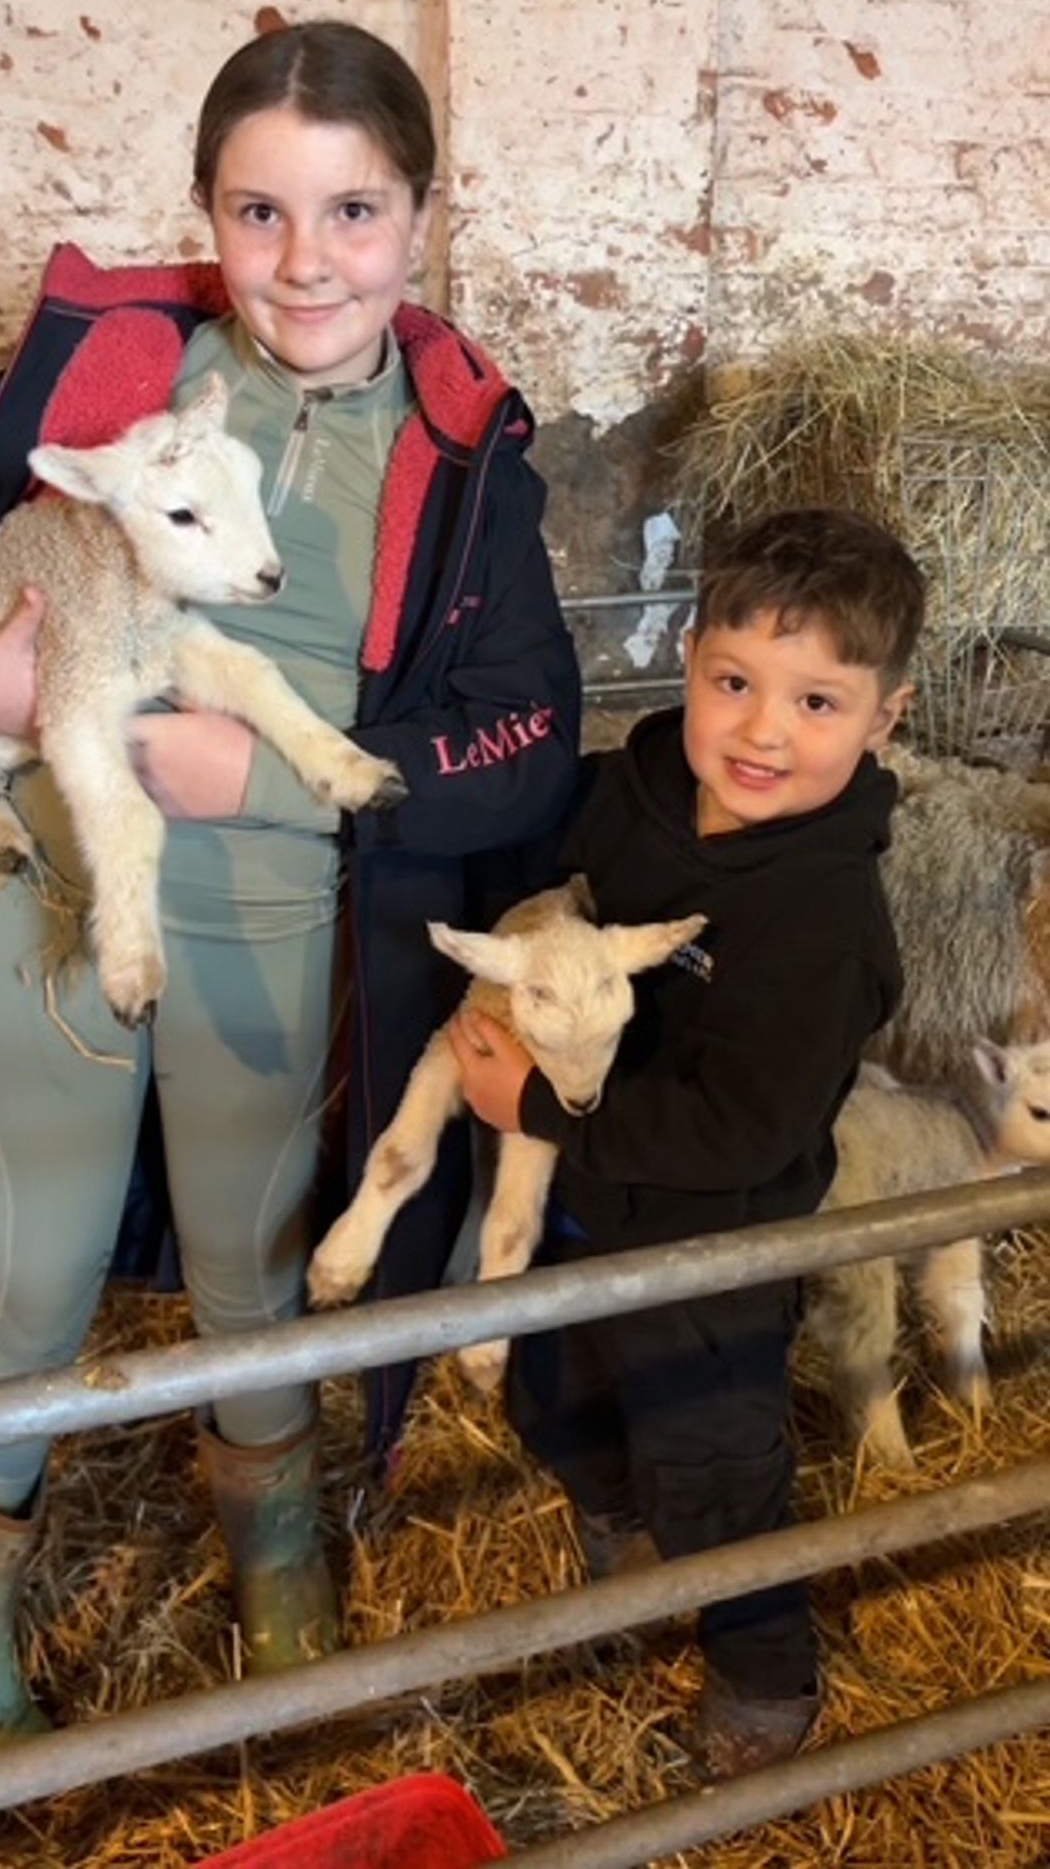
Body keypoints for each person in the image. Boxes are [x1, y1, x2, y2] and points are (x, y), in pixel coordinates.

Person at [0, 19, 581, 1750]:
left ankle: (276, 1570)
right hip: (61, 905)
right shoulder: (103, 378)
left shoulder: (470, 453)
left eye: (352, 210)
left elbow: (537, 738)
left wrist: (276, 780)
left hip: (279, 919)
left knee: (257, 1266)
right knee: (26, 1281)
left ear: (417, 216)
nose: (306, 259)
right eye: (260, 212)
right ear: (208, 211)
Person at [447, 505, 924, 1781]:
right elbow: (561, 890)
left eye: (819, 703)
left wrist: (533, 1112)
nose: (762, 731)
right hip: (582, 1201)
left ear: (887, 716)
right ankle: (621, 1533)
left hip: (715, 1237)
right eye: (733, 682)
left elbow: (742, 1127)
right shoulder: (644, 783)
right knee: (556, 1388)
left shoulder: (820, 924)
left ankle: (764, 1674)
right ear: (688, 663)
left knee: (711, 1451)